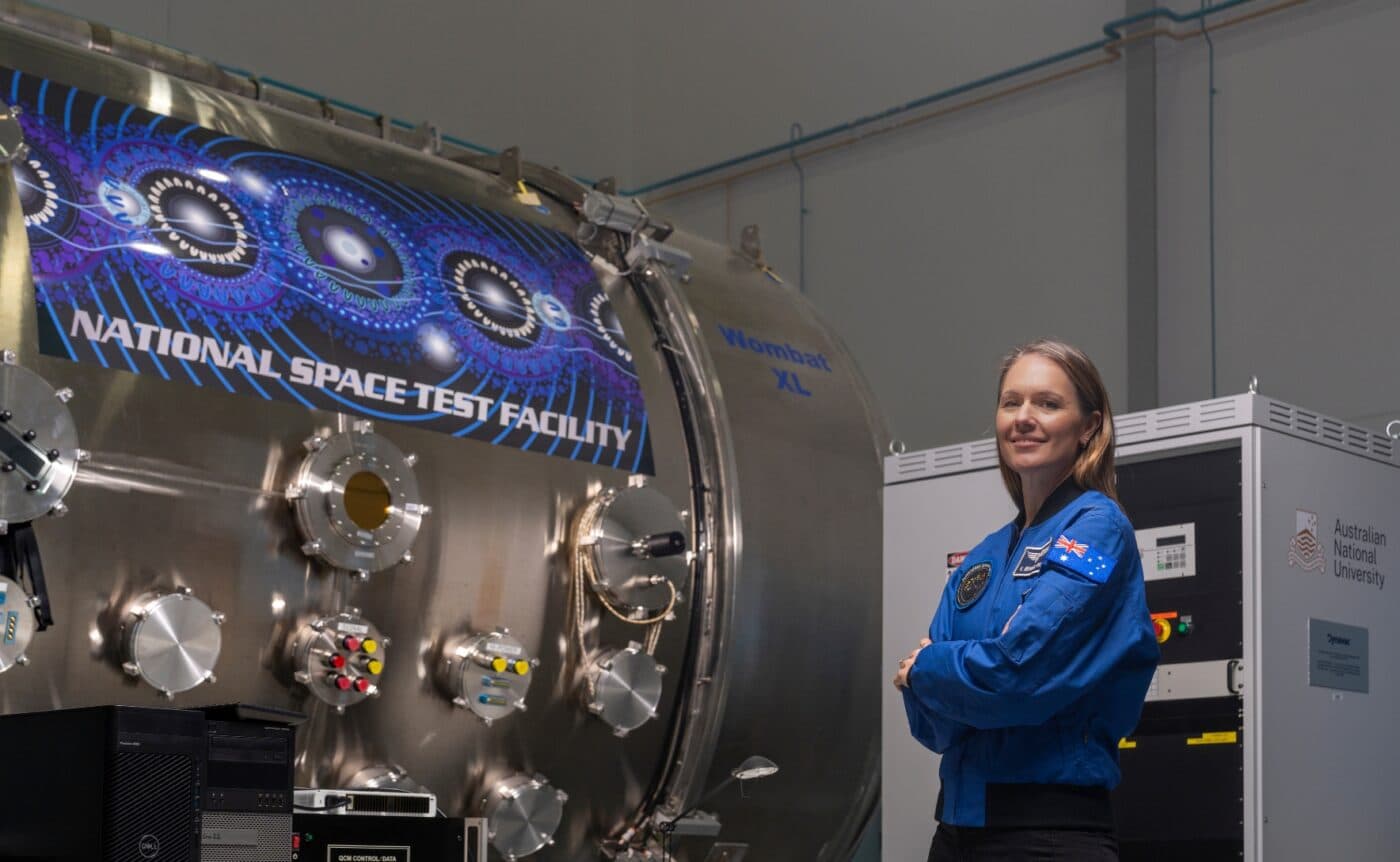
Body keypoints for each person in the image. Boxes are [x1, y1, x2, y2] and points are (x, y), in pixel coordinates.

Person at [893, 339, 1159, 861]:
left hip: (1048, 836)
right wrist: (947, 679)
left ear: (1089, 427)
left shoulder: (1098, 529)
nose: (1023, 418)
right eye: (1011, 402)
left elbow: (1020, 674)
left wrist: (926, 667)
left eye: (1048, 403)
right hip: (955, 835)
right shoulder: (985, 556)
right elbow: (933, 724)